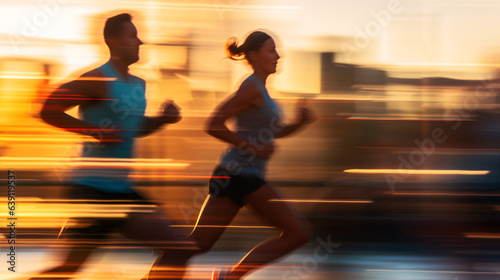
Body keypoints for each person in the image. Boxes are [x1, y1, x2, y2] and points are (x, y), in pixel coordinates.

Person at [33, 13, 192, 280]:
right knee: (68, 269)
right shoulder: (98, 79)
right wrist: (94, 131)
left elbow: (134, 129)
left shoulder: (138, 84)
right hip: (91, 192)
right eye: (132, 35)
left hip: (121, 190)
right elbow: (49, 108)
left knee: (180, 249)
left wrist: (163, 120)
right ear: (113, 41)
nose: (140, 41)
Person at [151, 30, 315, 280]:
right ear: (254, 55)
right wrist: (252, 147)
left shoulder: (261, 90)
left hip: (242, 176)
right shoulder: (251, 88)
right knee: (298, 233)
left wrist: (300, 123)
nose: (278, 55)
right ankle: (230, 277)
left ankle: (226, 276)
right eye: (271, 50)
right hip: (236, 175)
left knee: (198, 244)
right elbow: (213, 124)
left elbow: (274, 133)